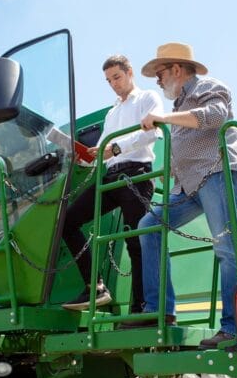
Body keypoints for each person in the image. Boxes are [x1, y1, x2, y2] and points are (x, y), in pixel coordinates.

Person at [131, 42, 237, 350]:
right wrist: (169, 168)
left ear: (178, 69)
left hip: (216, 172)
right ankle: (159, 309)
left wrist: (163, 119)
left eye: (160, 73)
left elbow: (214, 117)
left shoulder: (209, 86)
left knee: (226, 246)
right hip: (188, 185)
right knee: (149, 225)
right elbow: (186, 143)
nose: (157, 80)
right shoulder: (179, 106)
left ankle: (234, 327)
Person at [62, 55, 163, 312]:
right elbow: (102, 153)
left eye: (117, 77)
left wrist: (116, 147)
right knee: (67, 222)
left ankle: (141, 309)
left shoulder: (148, 98)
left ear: (130, 72)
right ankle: (95, 287)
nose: (114, 84)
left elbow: (152, 132)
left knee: (135, 242)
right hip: (109, 177)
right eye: (109, 81)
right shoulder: (112, 112)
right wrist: (83, 159)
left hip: (135, 176)